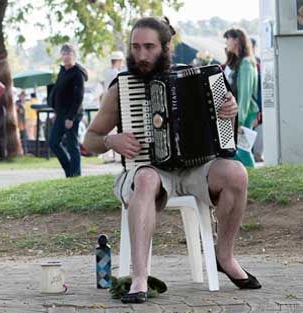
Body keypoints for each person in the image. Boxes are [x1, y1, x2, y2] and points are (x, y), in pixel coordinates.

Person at [83, 17, 261, 304]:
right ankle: (140, 277)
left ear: (166, 47)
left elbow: (222, 122)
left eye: (149, 47)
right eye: (135, 47)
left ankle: (224, 256)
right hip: (149, 169)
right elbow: (89, 139)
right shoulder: (121, 88)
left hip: (194, 168)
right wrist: (110, 141)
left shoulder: (193, 76)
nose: (140, 54)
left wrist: (229, 108)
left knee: (236, 173)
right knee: (145, 177)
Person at [49, 44, 88, 177]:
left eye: (69, 54)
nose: (66, 57)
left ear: (74, 56)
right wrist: (56, 111)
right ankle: (69, 171)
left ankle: (75, 173)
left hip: (72, 115)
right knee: (53, 142)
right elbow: (58, 92)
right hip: (60, 114)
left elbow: (78, 98)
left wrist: (71, 118)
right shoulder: (62, 71)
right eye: (64, 54)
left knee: (72, 145)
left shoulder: (77, 73)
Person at [223, 28, 259, 167]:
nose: (226, 43)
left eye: (228, 39)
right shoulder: (236, 61)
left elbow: (245, 94)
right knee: (234, 150)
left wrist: (240, 120)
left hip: (245, 113)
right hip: (237, 112)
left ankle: (254, 179)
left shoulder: (246, 63)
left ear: (236, 40)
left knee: (243, 149)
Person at [250, 38, 263, 163]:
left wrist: (259, 108)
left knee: (259, 130)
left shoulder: (259, 62)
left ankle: (257, 155)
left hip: (257, 104)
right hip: (251, 105)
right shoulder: (243, 62)